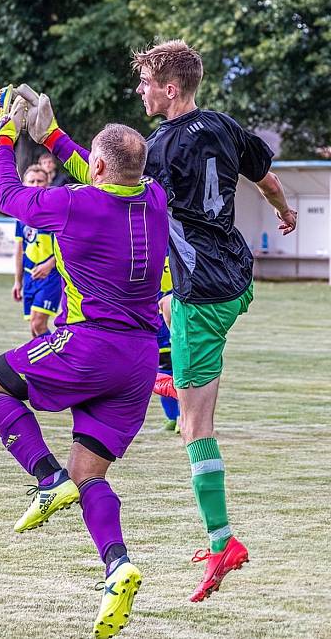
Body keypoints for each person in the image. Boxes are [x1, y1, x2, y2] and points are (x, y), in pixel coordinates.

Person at [0, 84, 168, 638]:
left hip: (90, 345)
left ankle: (45, 477)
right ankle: (117, 565)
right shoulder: (154, 197)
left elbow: (9, 197)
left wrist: (6, 136)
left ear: (100, 166)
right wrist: (55, 136)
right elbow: (104, 169)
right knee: (93, 474)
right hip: (138, 361)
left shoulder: (78, 203)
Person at [132, 40, 297, 602]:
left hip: (200, 294)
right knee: (168, 333)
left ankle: (224, 540)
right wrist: (283, 210)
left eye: (146, 83)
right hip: (235, 278)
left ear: (169, 89)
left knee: (192, 427)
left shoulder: (157, 147)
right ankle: (167, 377)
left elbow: (116, 194)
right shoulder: (225, 126)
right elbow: (267, 178)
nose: (140, 91)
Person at [12, 164, 61, 336]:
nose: (35, 185)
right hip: (29, 276)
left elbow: (69, 245)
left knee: (38, 324)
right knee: (34, 329)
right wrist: (17, 281)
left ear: (47, 183)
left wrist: (50, 264)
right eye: (31, 181)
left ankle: (59, 362)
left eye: (40, 181)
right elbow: (19, 250)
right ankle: (45, 362)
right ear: (24, 184)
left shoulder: (56, 212)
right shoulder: (20, 215)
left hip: (51, 276)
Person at [156, 253, 180, 432]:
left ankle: (181, 417)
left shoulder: (178, 247)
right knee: (165, 371)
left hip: (176, 321)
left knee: (181, 373)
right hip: (157, 326)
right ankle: (173, 417)